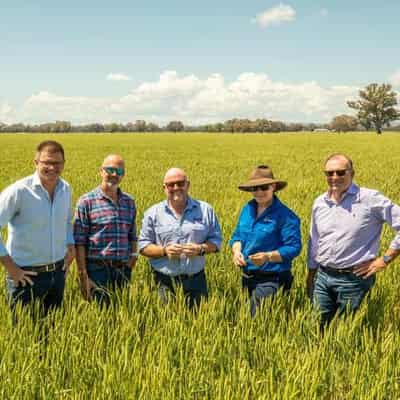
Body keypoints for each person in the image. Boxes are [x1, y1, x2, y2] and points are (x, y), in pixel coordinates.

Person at [307, 153, 400, 326]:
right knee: (317, 328)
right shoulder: (319, 202)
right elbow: (314, 240)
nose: (335, 177)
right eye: (329, 173)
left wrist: (385, 259)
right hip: (323, 277)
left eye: (341, 172)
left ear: (352, 173)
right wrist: (311, 273)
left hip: (354, 280)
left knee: (346, 331)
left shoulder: (370, 199)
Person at [0, 140, 74, 318]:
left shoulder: (66, 189)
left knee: (53, 332)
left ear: (63, 164)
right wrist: (12, 269)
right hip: (25, 276)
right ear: (36, 163)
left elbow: (66, 221)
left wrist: (70, 247)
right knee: (23, 336)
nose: (51, 167)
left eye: (57, 163)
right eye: (46, 162)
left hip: (57, 275)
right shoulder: (19, 191)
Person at [138, 168, 222, 309]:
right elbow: (143, 246)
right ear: (164, 188)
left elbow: (216, 241)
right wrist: (164, 251)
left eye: (180, 183)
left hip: (196, 281)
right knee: (166, 326)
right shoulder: (152, 213)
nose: (176, 188)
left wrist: (200, 248)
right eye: (171, 185)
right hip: (164, 283)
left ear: (187, 185)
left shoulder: (206, 210)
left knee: (199, 324)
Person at [230, 165, 302, 317]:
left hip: (272, 279)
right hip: (247, 276)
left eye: (264, 187)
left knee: (254, 320)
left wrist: (267, 257)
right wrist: (236, 252)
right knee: (247, 319)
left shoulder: (286, 216)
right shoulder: (247, 209)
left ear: (273, 187)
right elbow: (238, 236)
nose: (259, 192)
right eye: (254, 188)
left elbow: (294, 247)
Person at [73, 155, 137, 306]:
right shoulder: (86, 201)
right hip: (97, 270)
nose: (114, 174)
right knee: (98, 313)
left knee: (123, 314)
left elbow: (132, 234)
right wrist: (83, 276)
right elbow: (79, 242)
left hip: (123, 270)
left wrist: (133, 256)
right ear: (101, 171)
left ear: (123, 175)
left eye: (119, 171)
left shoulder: (129, 201)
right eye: (110, 170)